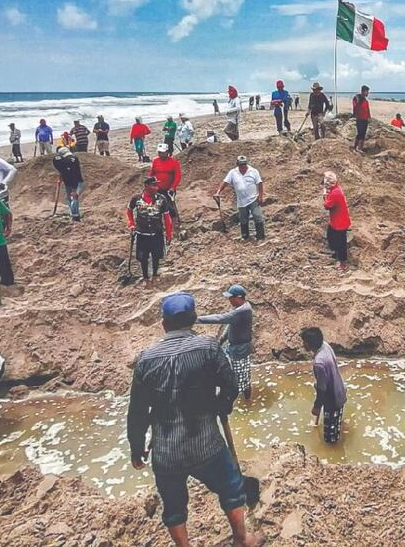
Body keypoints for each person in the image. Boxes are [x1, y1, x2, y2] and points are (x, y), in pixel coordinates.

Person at [127, 292, 264, 547]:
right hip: (206, 443)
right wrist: (220, 407)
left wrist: (137, 448)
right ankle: (241, 539)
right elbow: (231, 385)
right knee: (232, 490)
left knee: (174, 507)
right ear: (192, 320)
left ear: (164, 324)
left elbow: (137, 411)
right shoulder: (208, 348)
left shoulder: (145, 360)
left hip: (166, 451)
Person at [196, 284, 255, 403]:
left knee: (242, 378)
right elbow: (230, 325)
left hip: (240, 350)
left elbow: (220, 318)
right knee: (236, 374)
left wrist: (196, 319)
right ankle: (242, 398)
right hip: (234, 347)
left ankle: (247, 401)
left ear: (238, 297)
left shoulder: (244, 310)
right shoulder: (239, 308)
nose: (229, 300)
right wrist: (222, 339)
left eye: (231, 298)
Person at [301, 327, 347, 444]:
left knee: (330, 438)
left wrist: (316, 406)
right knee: (335, 422)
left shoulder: (319, 363)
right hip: (339, 388)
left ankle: (334, 455)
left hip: (332, 399)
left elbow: (322, 389)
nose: (303, 344)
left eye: (304, 342)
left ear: (310, 344)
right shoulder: (325, 346)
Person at [126, 177, 173, 286]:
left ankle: (155, 274)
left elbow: (166, 217)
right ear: (146, 186)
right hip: (142, 233)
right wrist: (131, 224)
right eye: (153, 185)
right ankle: (146, 277)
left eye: (156, 185)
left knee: (156, 255)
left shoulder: (162, 199)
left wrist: (169, 233)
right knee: (143, 257)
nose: (156, 187)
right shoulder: (136, 199)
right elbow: (129, 211)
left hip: (156, 232)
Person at [217, 156, 265, 242]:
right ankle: (245, 236)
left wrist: (260, 196)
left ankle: (260, 236)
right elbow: (225, 182)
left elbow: (260, 184)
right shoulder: (233, 172)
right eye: (241, 165)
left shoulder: (253, 171)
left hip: (253, 199)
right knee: (243, 219)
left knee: (257, 216)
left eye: (244, 165)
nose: (243, 167)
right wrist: (218, 192)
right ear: (237, 164)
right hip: (241, 201)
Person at [323, 171, 351, 271]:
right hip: (337, 220)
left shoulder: (335, 193)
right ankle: (336, 253)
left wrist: (325, 195)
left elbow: (327, 205)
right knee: (330, 236)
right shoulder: (336, 189)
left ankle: (343, 263)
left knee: (340, 243)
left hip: (340, 223)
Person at [150, 143, 182, 224]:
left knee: (170, 207)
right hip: (157, 188)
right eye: (159, 152)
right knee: (156, 206)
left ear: (167, 152)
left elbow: (177, 176)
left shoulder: (174, 162)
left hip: (168, 189)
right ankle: (158, 222)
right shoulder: (155, 161)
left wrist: (173, 187)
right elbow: (151, 174)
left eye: (163, 152)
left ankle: (175, 223)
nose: (161, 154)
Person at [53, 146, 85, 221]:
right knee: (72, 197)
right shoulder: (74, 159)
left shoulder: (63, 161)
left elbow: (58, 165)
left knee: (72, 198)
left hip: (71, 181)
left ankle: (75, 215)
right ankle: (74, 214)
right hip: (75, 181)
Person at [351, 85, 372, 152]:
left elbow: (367, 109)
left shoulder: (366, 101)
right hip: (359, 118)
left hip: (365, 119)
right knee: (360, 133)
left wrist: (369, 117)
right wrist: (355, 115)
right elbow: (355, 106)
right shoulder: (357, 98)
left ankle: (360, 148)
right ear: (363, 91)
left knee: (363, 134)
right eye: (367, 92)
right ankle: (355, 147)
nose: (368, 93)